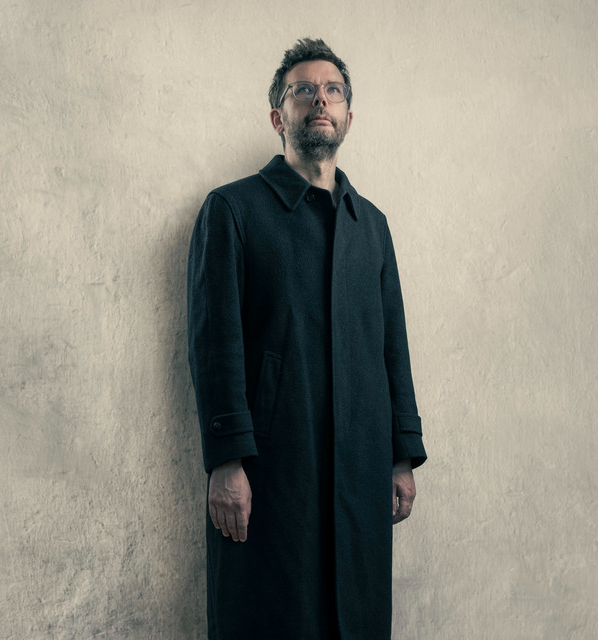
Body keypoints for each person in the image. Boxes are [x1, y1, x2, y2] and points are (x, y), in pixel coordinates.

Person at [187, 37, 427, 640]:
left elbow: (392, 345)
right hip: (273, 469)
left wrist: (402, 453)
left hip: (362, 466)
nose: (321, 99)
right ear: (278, 116)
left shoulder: (371, 225)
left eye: (333, 90)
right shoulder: (232, 210)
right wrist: (226, 460)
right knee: (271, 614)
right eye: (303, 90)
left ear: (348, 116)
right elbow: (214, 345)